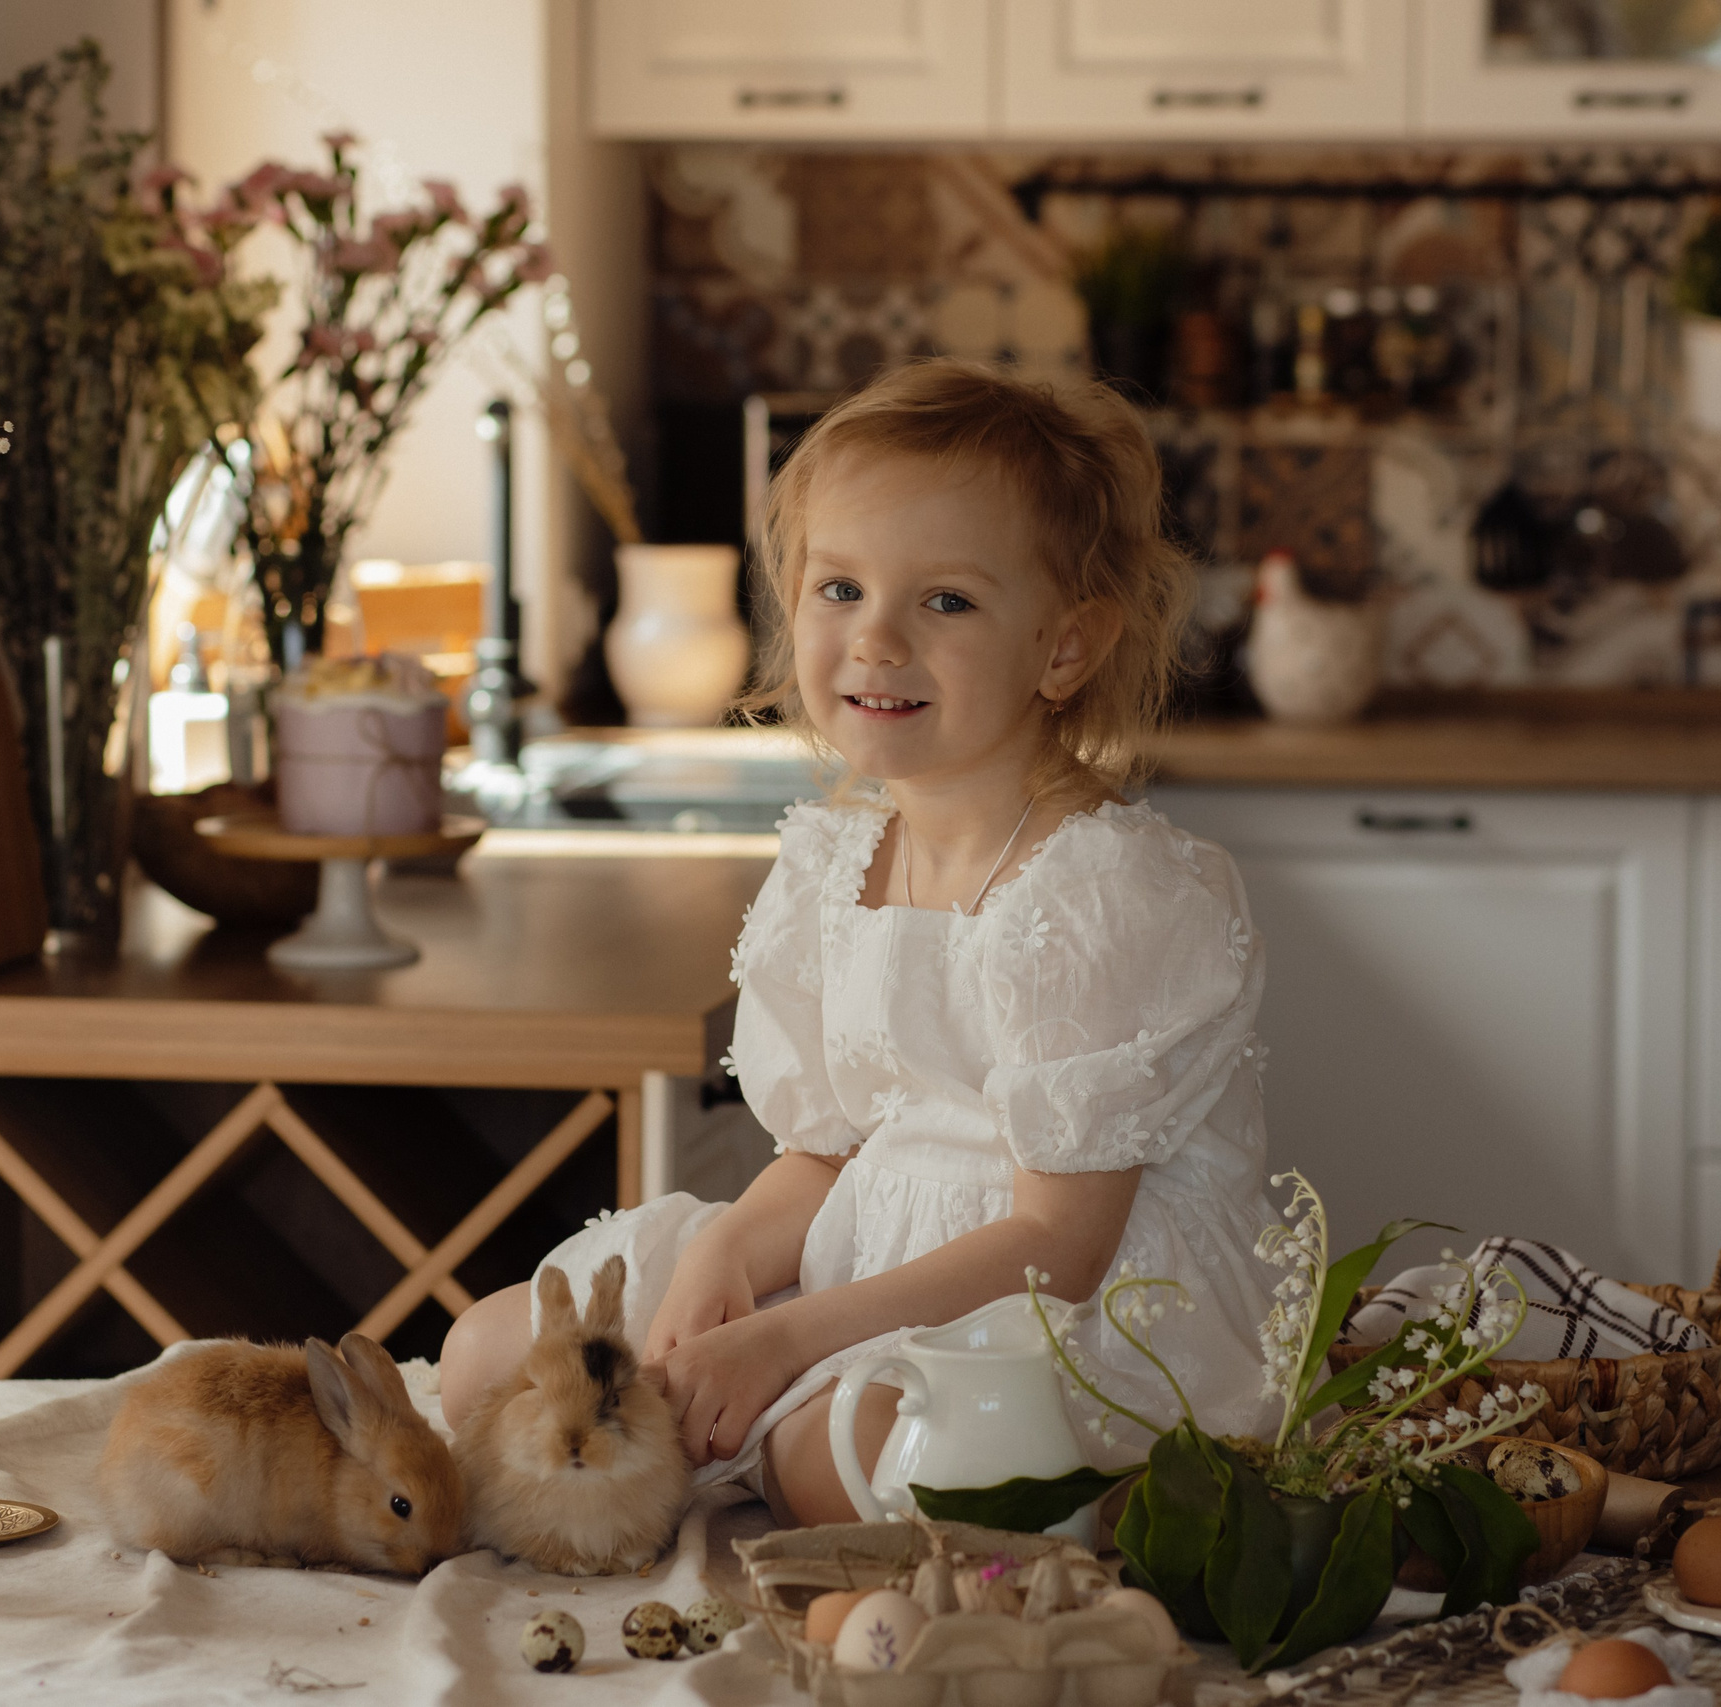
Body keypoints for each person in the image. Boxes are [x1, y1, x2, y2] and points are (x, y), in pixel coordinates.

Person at [438, 359, 1279, 1525]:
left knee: (889, 1460)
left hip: (1045, 1309)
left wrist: (781, 1342)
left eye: (945, 602)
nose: (874, 641)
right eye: (839, 589)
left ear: (1065, 647)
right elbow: (828, 1155)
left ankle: (757, 1445)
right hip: (855, 1254)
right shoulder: (836, 858)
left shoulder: (1096, 890)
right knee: (491, 1354)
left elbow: (1058, 1246)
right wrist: (731, 1250)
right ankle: (739, 1435)